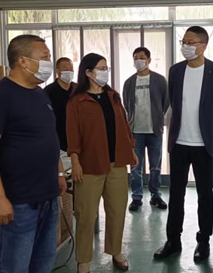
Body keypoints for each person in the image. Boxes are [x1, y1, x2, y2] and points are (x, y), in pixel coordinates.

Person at [0, 34, 67, 273]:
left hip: (47, 197)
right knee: (14, 267)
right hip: (18, 202)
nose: (49, 63)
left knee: (43, 263)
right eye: (44, 57)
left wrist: (59, 173)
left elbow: (49, 137)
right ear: (23, 61)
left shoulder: (39, 93)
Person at [154, 26, 213, 263]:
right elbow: (173, 102)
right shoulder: (176, 71)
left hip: (203, 145)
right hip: (179, 143)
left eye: (191, 42)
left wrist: (210, 129)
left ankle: (203, 241)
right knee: (175, 195)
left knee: (205, 196)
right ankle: (173, 240)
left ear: (203, 46)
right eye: (183, 42)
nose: (185, 46)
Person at [66, 53, 138, 273]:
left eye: (106, 68)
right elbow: (73, 135)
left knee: (117, 210)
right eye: (101, 68)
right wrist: (75, 161)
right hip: (89, 165)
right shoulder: (77, 101)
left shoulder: (113, 96)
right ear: (88, 72)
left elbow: (124, 125)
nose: (105, 72)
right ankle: (83, 260)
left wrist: (131, 149)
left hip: (117, 164)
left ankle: (116, 251)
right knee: (86, 214)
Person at [122, 47, 169, 212]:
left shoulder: (159, 80)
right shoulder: (129, 82)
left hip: (154, 131)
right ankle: (136, 197)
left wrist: (158, 118)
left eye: (142, 57)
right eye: (135, 58)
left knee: (155, 166)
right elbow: (127, 105)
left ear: (149, 60)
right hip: (136, 131)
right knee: (135, 167)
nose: (138, 61)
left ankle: (155, 195)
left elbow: (165, 102)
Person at [44, 57, 76, 151]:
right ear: (57, 71)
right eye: (65, 68)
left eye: (71, 68)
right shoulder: (48, 92)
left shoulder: (77, 90)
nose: (69, 71)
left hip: (75, 140)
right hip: (58, 141)